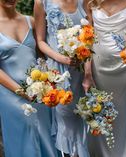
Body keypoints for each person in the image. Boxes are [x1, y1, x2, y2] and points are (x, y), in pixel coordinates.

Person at [83, 0, 126, 156]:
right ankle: (98, 153)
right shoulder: (90, 1)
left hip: (123, 65)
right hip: (98, 65)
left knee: (120, 112)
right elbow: (86, 38)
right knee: (99, 110)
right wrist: (87, 72)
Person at [0, 0, 59, 156]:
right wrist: (21, 91)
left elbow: (41, 58)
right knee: (23, 139)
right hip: (11, 95)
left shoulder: (30, 21)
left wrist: (48, 84)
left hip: (39, 92)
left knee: (46, 136)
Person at [34, 0, 90, 156]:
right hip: (58, 72)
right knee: (65, 117)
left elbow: (89, 40)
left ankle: (80, 152)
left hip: (81, 71)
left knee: (82, 115)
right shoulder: (41, 3)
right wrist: (62, 58)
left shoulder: (82, 2)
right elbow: (40, 41)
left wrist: (88, 74)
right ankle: (69, 153)